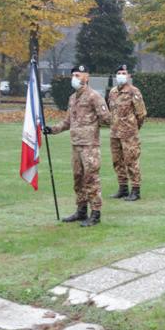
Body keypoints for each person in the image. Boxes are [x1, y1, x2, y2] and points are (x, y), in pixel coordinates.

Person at [44, 65, 111, 227]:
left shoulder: (94, 96)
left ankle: (95, 214)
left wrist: (93, 126)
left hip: (90, 146)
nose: (75, 78)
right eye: (73, 75)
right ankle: (81, 211)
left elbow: (107, 119)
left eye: (78, 75)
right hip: (76, 145)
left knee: (91, 179)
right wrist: (52, 130)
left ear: (86, 77)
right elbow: (68, 122)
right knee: (78, 179)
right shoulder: (73, 98)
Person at [107, 64, 147, 202]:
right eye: (119, 72)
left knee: (131, 160)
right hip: (114, 133)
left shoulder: (134, 92)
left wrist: (134, 128)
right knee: (117, 161)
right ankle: (123, 188)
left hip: (129, 133)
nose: (121, 75)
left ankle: (135, 190)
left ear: (129, 76)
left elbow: (141, 114)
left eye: (124, 72)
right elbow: (111, 112)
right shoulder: (112, 92)